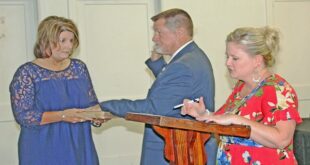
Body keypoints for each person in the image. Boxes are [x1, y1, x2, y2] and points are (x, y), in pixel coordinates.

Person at [88, 8, 217, 165]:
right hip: (182, 147)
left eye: (159, 32)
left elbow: (154, 108)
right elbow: (173, 93)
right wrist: (156, 62)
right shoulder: (193, 56)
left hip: (175, 152)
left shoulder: (183, 65)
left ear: (179, 32)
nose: (155, 38)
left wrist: (106, 106)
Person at [181, 26, 303, 164]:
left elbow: (282, 139)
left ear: (257, 60)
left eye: (235, 58)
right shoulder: (241, 86)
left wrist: (237, 119)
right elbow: (226, 122)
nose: (227, 63)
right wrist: (204, 114)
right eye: (227, 56)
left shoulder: (278, 89)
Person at [9, 16, 109, 165]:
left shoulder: (79, 68)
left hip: (79, 145)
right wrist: (62, 115)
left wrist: (97, 116)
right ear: (45, 41)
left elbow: (91, 104)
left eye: (71, 40)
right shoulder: (27, 73)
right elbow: (24, 116)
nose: (68, 46)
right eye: (62, 41)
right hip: (42, 147)